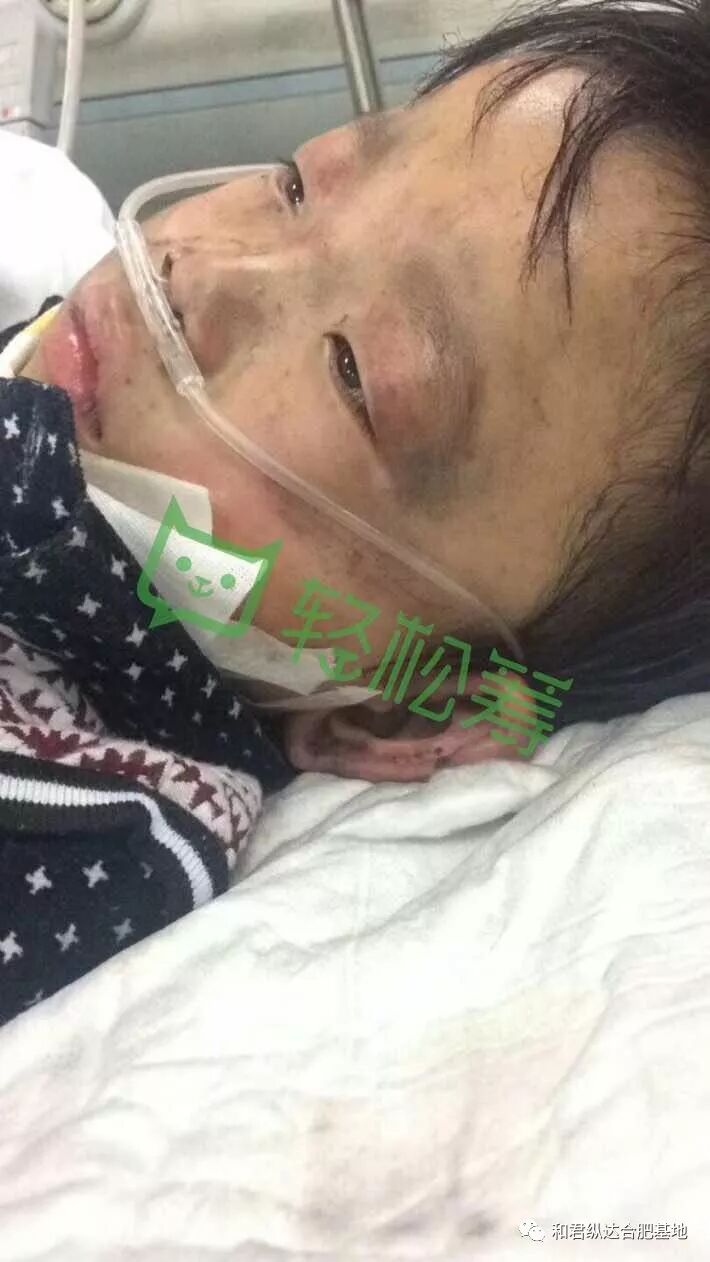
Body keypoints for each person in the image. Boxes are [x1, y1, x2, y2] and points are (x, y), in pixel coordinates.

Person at [2, 0, 710, 1022]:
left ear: (406, 710)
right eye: (298, 187)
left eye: (354, 375)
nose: (202, 267)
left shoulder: (85, 834)